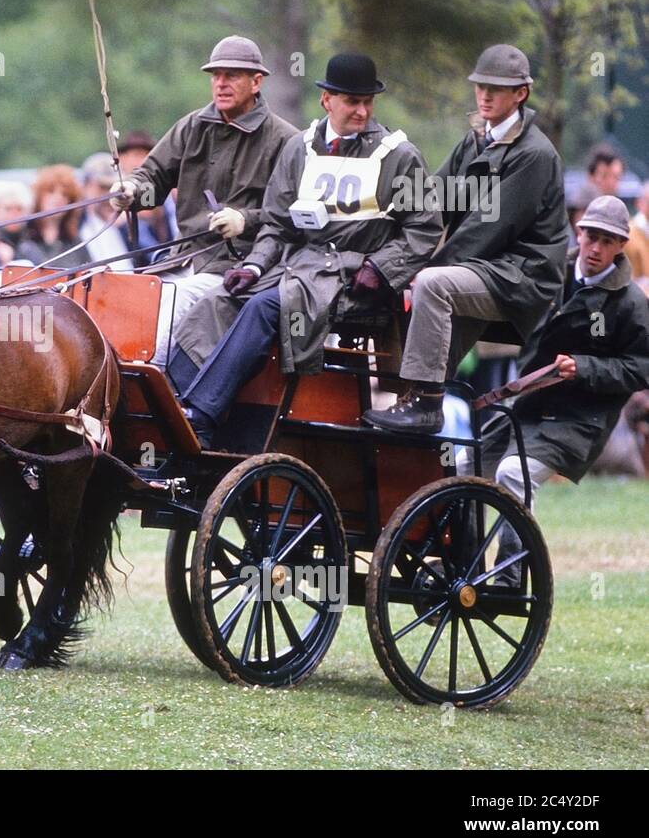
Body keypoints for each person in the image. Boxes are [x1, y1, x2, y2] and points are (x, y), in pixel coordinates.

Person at [172, 53, 440, 446]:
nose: (362, 111)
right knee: (218, 301)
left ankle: (202, 417)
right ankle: (177, 405)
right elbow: (278, 224)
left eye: (368, 102)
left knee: (264, 307)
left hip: (352, 280)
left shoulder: (399, 156)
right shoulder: (300, 149)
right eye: (352, 101)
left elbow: (424, 229)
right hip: (296, 270)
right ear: (327, 100)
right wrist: (254, 266)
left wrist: (381, 268)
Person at [364, 44, 568, 434]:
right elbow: (431, 200)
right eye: (480, 87)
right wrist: (377, 234)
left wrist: (416, 269)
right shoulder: (476, 140)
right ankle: (409, 410)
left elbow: (488, 229)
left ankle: (426, 407)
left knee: (432, 284)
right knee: (406, 291)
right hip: (482, 270)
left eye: (496, 88)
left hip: (521, 276)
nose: (485, 96)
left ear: (521, 93)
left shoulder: (535, 154)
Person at [471, 196, 649, 585]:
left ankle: (511, 576)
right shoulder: (553, 273)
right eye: (591, 237)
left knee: (512, 474)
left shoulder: (632, 305)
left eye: (607, 241)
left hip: (578, 421)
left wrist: (584, 368)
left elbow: (641, 368)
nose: (596, 249)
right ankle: (462, 563)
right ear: (578, 233)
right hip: (530, 402)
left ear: (622, 245)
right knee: (465, 466)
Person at [111, 35, 299, 357]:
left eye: (232, 76)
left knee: (172, 303)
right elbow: (152, 176)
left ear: (257, 82)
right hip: (182, 259)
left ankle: (145, 389)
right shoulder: (192, 126)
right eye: (216, 76)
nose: (221, 84)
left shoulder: (286, 140)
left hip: (241, 269)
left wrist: (245, 220)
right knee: (120, 299)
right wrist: (131, 190)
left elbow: (292, 217)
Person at [17, 164, 90, 267]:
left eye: (65, 195)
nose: (58, 198)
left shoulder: (74, 240)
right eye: (51, 191)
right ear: (39, 196)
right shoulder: (21, 233)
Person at [79, 152, 132, 271]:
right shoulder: (73, 227)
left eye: (116, 188)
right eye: (103, 187)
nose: (110, 194)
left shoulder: (126, 226)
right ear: (86, 186)